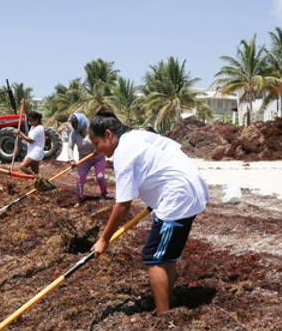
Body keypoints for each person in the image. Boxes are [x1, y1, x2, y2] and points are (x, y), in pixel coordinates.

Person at [89, 108, 208, 316]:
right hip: (189, 189)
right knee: (165, 256)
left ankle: (164, 317)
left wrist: (104, 239)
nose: (97, 150)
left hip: (177, 197)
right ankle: (166, 305)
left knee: (154, 257)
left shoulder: (123, 153)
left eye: (96, 143)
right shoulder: (139, 135)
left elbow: (123, 204)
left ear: (108, 135)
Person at [66, 111, 108, 203]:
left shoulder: (92, 131)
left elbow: (102, 140)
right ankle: (79, 198)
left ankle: (104, 194)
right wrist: (72, 159)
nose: (74, 126)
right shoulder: (74, 134)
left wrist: (98, 148)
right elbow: (70, 147)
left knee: (100, 176)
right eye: (73, 124)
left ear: (81, 122)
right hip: (84, 159)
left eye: (75, 123)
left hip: (98, 157)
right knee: (79, 179)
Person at [16, 110, 45, 175]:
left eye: (31, 120)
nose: (30, 122)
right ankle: (38, 181)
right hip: (33, 152)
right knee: (36, 173)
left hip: (36, 153)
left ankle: (38, 178)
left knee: (22, 167)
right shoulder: (33, 127)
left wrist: (20, 133)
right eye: (29, 120)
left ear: (37, 120)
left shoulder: (39, 128)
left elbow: (30, 140)